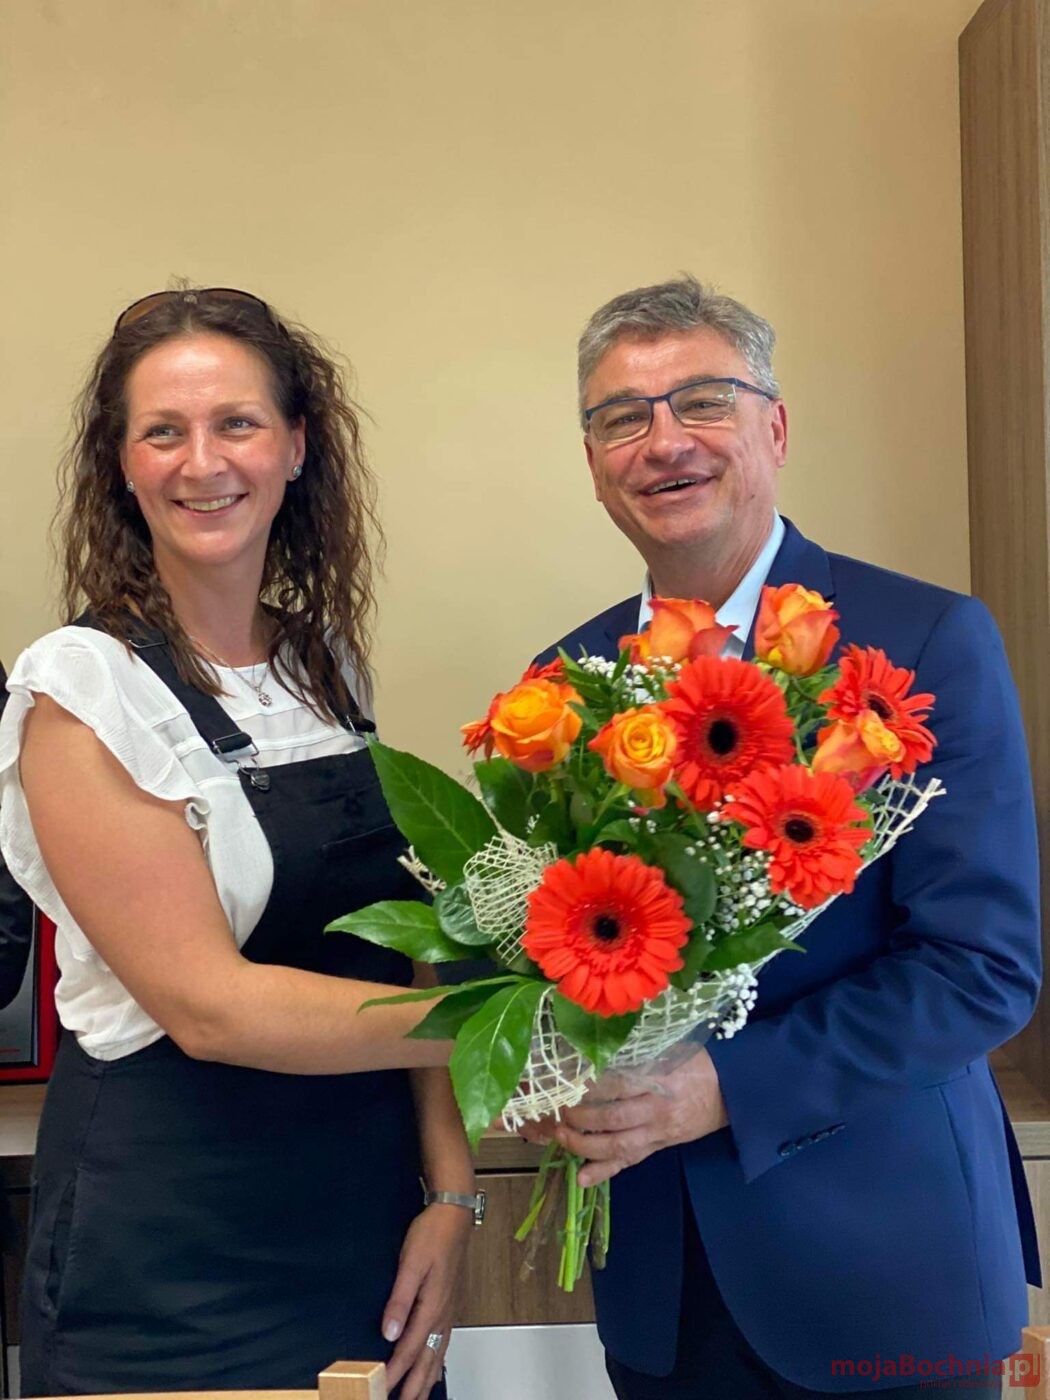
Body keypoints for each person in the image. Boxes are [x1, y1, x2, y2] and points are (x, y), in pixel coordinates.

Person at [526, 276, 1042, 1398]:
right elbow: (559, 949)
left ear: (776, 426)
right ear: (594, 463)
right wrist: (546, 1058)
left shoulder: (925, 640)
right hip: (661, 1288)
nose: (664, 441)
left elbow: (982, 968)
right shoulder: (559, 685)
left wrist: (724, 1085)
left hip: (883, 1266)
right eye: (623, 417)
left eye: (703, 401)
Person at [0, 288, 478, 1399]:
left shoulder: (322, 665)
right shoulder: (83, 691)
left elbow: (404, 939)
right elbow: (211, 1008)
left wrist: (451, 1192)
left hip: (366, 1219)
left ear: (297, 446)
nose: (202, 462)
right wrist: (505, 1026)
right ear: (122, 465)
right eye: (163, 431)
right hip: (176, 1255)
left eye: (238, 423)